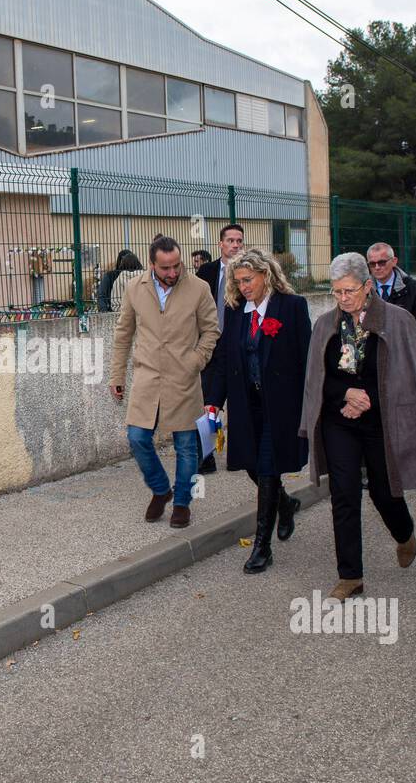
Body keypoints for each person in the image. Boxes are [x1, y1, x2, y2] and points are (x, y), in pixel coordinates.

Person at [299, 252, 416, 599]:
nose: (342, 298)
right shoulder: (325, 325)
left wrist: (367, 400)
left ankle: (404, 532)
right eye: (336, 292)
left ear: (368, 286)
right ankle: (350, 576)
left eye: (349, 290)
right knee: (344, 493)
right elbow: (318, 379)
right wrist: (346, 395)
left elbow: (409, 376)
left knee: (385, 491)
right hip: (340, 421)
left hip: (383, 421)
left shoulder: (398, 320)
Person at [202, 249, 310, 572]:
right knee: (252, 466)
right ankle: (286, 504)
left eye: (249, 280)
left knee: (266, 467)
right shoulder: (236, 312)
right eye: (239, 282)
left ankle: (262, 546)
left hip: (280, 405)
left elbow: (305, 358)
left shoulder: (291, 307)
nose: (244, 287)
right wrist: (213, 402)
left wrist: (310, 404)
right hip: (246, 405)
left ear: (266, 274)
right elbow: (223, 362)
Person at [110, 234, 220, 529]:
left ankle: (182, 502)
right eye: (166, 268)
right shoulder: (135, 288)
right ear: (152, 265)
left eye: (177, 265)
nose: (173, 273)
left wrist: (195, 362)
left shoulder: (199, 288)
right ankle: (161, 490)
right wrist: (117, 375)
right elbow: (123, 335)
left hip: (183, 378)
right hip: (147, 377)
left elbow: (211, 331)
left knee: (186, 445)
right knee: (137, 438)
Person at [196, 224, 246, 475]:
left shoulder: (250, 273)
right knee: (208, 404)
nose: (235, 245)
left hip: (238, 347)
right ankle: (206, 456)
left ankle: (239, 454)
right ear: (221, 244)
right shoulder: (206, 271)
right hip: (211, 346)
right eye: (230, 241)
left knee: (238, 401)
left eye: (239, 241)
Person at [366, 242, 416, 326]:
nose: (377, 267)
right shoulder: (363, 290)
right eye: (372, 264)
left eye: (382, 262)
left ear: (394, 261)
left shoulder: (414, 288)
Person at [97, 249, 139, 313]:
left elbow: (101, 294)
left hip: (115, 310)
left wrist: (104, 311)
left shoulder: (110, 276)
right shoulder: (141, 276)